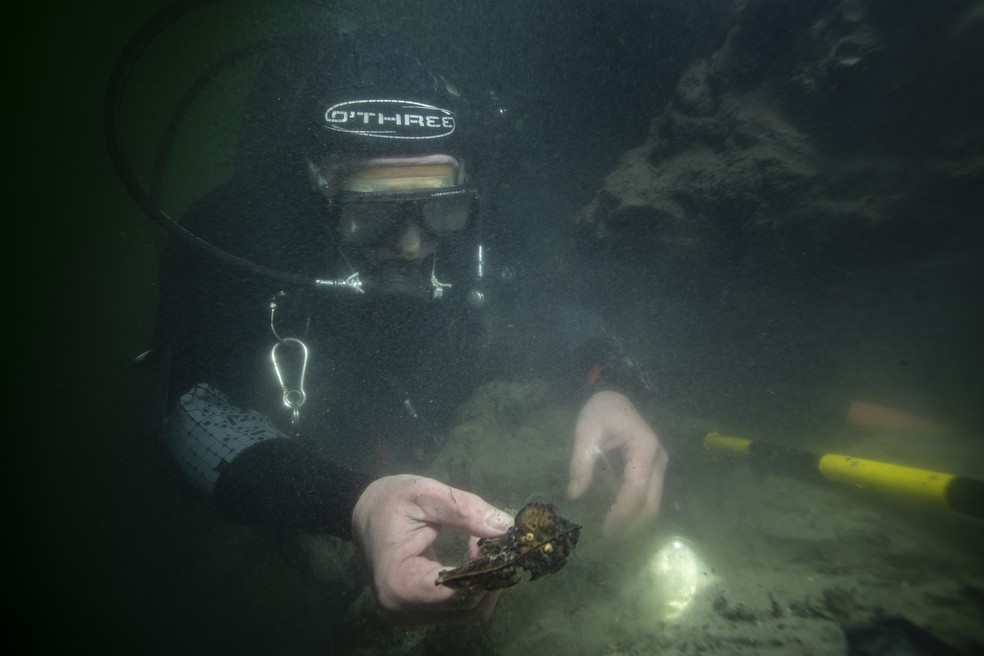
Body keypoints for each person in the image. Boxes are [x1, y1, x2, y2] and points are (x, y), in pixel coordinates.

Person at [152, 28, 668, 625]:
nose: (414, 243)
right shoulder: (232, 235)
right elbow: (192, 411)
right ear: (314, 183)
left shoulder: (485, 218)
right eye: (371, 214)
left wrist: (611, 384)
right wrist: (352, 505)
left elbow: (552, 306)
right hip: (299, 485)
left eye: (439, 208)